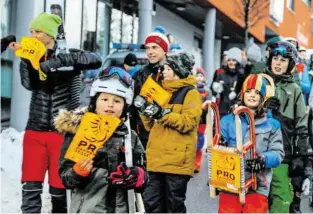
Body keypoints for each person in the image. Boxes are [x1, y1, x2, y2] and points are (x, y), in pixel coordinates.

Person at [19, 12, 102, 213]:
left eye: (37, 31)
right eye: (31, 31)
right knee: (30, 186)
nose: (33, 35)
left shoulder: (68, 54)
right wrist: (31, 62)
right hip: (35, 130)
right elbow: (28, 85)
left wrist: (63, 60)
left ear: (49, 34)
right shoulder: (29, 55)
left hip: (61, 133)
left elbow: (96, 60)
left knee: (59, 189)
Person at [56, 67, 147, 213]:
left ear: (124, 107)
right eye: (104, 99)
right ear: (94, 103)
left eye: (117, 101)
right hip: (87, 208)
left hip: (122, 208)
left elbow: (143, 176)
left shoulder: (129, 137)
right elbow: (65, 178)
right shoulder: (78, 133)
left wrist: (136, 175)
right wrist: (76, 172)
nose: (110, 105)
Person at [134, 52, 202, 213]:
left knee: (174, 206)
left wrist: (161, 114)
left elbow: (188, 123)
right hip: (156, 159)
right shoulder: (160, 92)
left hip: (176, 162)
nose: (163, 72)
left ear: (177, 70)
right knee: (151, 204)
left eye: (167, 68)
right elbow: (151, 126)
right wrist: (144, 110)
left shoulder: (190, 93)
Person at [217, 74, 284, 213]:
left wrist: (263, 159)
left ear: (262, 97)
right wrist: (218, 150)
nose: (252, 95)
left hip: (257, 185)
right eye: (248, 91)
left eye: (257, 92)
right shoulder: (227, 121)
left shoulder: (272, 125)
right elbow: (218, 148)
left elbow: (278, 154)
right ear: (242, 94)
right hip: (230, 183)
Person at [260, 41, 312, 213]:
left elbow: (302, 125)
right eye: (275, 58)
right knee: (256, 198)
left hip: (283, 153)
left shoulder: (295, 90)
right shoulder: (258, 82)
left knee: (281, 197)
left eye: (283, 60)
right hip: (256, 152)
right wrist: (263, 106)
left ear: (290, 64)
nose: (278, 63)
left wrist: (300, 156)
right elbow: (239, 111)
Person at [130, 26, 169, 149]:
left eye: (155, 47)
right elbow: (131, 106)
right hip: (144, 135)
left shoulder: (176, 73)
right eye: (147, 48)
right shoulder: (139, 75)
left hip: (169, 132)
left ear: (165, 50)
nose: (150, 52)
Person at [211, 47, 243, 117]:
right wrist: (216, 88)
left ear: (238, 62)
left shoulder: (242, 76)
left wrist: (236, 93)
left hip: (237, 109)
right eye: (229, 60)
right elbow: (213, 91)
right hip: (222, 109)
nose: (231, 62)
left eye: (234, 60)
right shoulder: (221, 74)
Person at [194, 67, 211, 173]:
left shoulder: (207, 91)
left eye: (201, 76)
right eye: (197, 75)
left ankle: (197, 164)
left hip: (202, 121)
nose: (199, 78)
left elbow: (210, 106)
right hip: (193, 119)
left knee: (199, 142)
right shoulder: (191, 90)